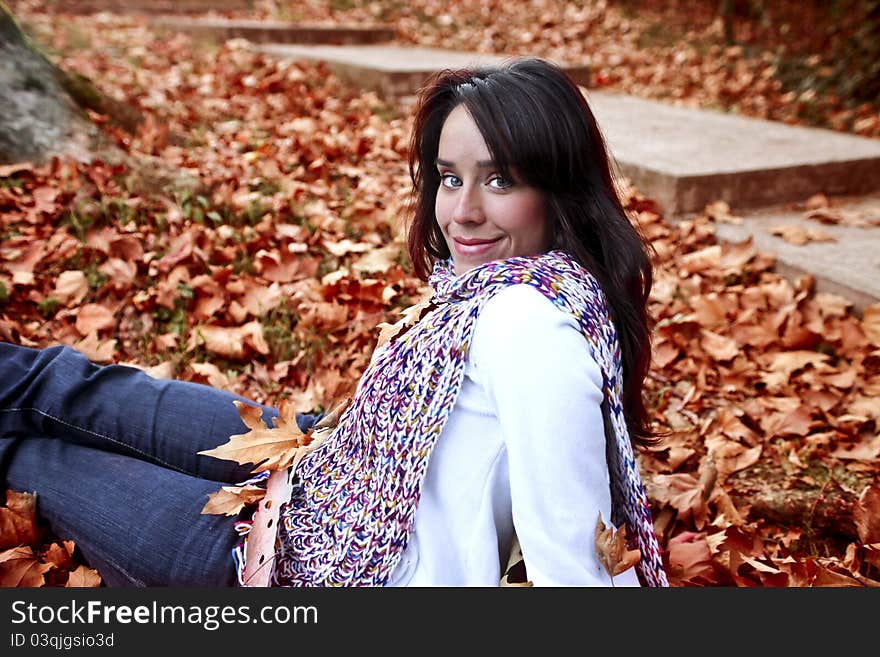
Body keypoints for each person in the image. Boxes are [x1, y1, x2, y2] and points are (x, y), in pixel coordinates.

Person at [0, 57, 668, 588]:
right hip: (336, 465)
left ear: (560, 187)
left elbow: (574, 570)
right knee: (73, 387)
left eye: (499, 181)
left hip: (305, 572)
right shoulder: (530, 290)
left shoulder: (532, 327)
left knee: (40, 454)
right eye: (448, 177)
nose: (461, 212)